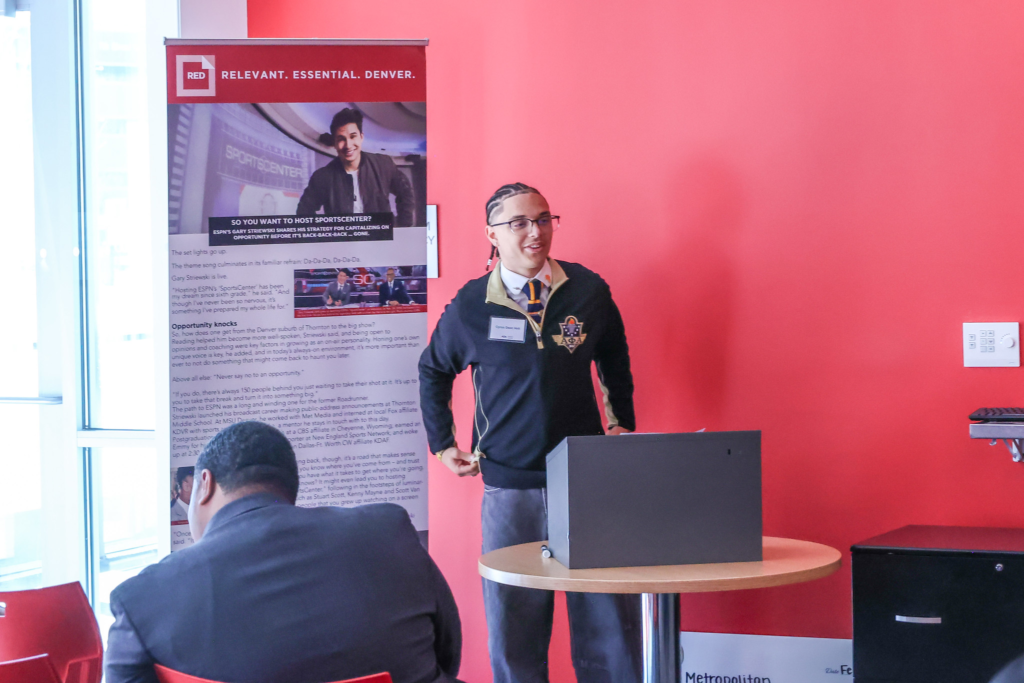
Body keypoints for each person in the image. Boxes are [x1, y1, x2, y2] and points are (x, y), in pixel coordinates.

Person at [418, 183, 641, 683]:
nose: (534, 232)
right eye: (518, 222)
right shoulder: (471, 306)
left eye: (543, 219)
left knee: (607, 624)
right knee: (514, 625)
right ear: (492, 235)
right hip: (508, 488)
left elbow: (614, 356)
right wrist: (442, 445)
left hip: (584, 482)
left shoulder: (587, 290)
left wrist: (620, 422)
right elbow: (432, 369)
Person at [106, 421, 463, 683]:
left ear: (205, 484)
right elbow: (447, 653)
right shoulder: (390, 532)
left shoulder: (141, 599)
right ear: (288, 489)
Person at [297, 108, 416, 227]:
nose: (348, 145)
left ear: (361, 137)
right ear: (334, 143)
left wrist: (402, 227)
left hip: (380, 239)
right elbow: (303, 213)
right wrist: (325, 235)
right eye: (341, 139)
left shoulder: (384, 164)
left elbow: (406, 192)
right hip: (344, 242)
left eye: (353, 136)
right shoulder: (322, 177)